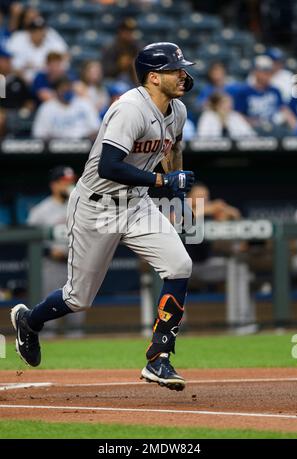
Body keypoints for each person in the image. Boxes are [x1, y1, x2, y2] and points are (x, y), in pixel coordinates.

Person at [11, 42, 195, 391]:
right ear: (153, 78)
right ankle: (30, 321)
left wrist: (175, 187)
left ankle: (160, 357)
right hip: (97, 205)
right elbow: (110, 166)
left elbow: (175, 148)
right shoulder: (130, 108)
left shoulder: (179, 111)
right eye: (175, 69)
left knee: (180, 266)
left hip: (137, 204)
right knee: (78, 299)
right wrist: (161, 179)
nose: (183, 74)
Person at [27, 166, 86, 338]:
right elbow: (30, 240)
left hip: (75, 264)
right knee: (47, 318)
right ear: (54, 185)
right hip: (51, 265)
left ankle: (77, 360)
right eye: (64, 182)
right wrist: (48, 251)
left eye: (71, 181)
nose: (69, 185)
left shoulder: (80, 206)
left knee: (77, 315)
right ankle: (46, 356)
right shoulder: (40, 210)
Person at [235, 55, 296, 135]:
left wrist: (295, 128)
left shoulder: (275, 91)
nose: (267, 75)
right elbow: (238, 116)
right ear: (255, 72)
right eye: (264, 72)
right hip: (252, 130)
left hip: (274, 128)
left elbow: (284, 110)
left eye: (269, 72)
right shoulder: (245, 92)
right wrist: (253, 122)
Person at [32, 77, 100, 140]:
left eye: (68, 88)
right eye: (63, 89)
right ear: (56, 91)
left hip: (84, 145)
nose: (66, 91)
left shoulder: (84, 103)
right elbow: (39, 134)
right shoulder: (46, 108)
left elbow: (96, 129)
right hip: (55, 149)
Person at [7, 16, 68, 83]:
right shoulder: (19, 41)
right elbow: (11, 66)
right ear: (30, 32)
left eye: (41, 30)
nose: (39, 33)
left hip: (48, 81)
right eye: (35, 30)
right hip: (23, 81)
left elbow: (65, 55)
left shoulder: (52, 41)